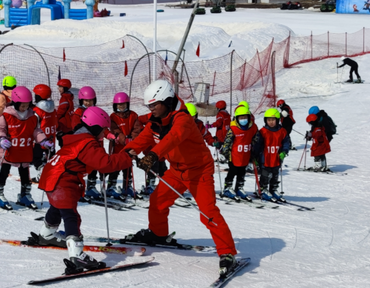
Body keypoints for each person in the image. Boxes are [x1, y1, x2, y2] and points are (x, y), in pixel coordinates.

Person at [124, 80, 238, 275]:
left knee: (208, 212)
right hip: (176, 171)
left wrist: (152, 155)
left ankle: (227, 252)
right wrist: (127, 153)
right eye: (149, 106)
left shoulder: (183, 119)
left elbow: (173, 138)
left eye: (154, 105)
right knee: (157, 200)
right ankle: (158, 234)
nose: (151, 110)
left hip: (199, 171)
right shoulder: (156, 123)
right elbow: (142, 140)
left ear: (167, 101)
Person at [33, 106, 133, 272]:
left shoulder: (77, 138)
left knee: (58, 207)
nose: (103, 134)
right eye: (102, 130)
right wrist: (127, 157)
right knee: (70, 214)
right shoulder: (86, 143)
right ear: (95, 127)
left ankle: (47, 234)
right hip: (61, 179)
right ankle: (77, 254)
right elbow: (105, 164)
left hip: (53, 175)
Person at [0, 86, 51, 209]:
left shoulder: (32, 116)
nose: (25, 108)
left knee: (24, 172)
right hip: (9, 150)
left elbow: (36, 131)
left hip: (24, 150)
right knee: (4, 170)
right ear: (16, 103)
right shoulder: (7, 116)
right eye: (22, 105)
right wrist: (1, 138)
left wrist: (43, 140)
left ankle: (25, 194)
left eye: (27, 105)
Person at [71, 86, 115, 200]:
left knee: (94, 165)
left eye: (91, 100)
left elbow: (101, 125)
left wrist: (108, 134)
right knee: (82, 166)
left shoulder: (95, 111)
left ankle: (91, 187)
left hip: (97, 143)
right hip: (85, 144)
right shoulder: (78, 112)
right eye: (86, 101)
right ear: (81, 101)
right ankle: (77, 188)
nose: (88, 103)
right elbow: (76, 127)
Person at [219, 105, 259, 201]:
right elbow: (227, 141)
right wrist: (225, 152)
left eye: (245, 117)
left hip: (245, 155)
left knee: (242, 172)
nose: (243, 120)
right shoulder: (233, 129)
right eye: (241, 118)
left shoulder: (252, 127)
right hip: (234, 156)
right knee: (232, 172)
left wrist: (255, 150)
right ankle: (227, 188)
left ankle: (239, 187)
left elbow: (256, 139)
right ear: (237, 118)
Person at [107, 92, 142, 200]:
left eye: (124, 105)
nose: (121, 108)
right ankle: (110, 186)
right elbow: (115, 130)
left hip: (129, 146)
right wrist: (123, 139)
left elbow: (137, 129)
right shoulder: (113, 117)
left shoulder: (133, 115)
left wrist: (133, 139)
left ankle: (127, 186)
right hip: (117, 147)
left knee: (127, 166)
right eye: (119, 106)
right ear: (115, 106)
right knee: (116, 166)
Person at [253, 108, 291, 201]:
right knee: (265, 175)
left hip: (276, 158)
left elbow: (287, 142)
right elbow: (257, 144)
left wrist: (284, 151)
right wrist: (254, 156)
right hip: (265, 158)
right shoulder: (262, 131)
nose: (271, 122)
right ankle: (262, 189)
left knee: (275, 175)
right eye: (268, 120)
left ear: (277, 120)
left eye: (273, 120)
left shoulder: (282, 131)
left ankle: (273, 189)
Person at [32, 84, 58, 170]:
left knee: (36, 159)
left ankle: (41, 171)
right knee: (52, 159)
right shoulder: (53, 109)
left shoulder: (37, 110)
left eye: (36, 95)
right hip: (51, 139)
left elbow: (34, 125)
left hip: (40, 140)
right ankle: (54, 170)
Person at [55, 78, 75, 145]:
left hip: (64, 125)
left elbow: (61, 110)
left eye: (60, 87)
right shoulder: (70, 97)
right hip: (70, 124)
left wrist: (56, 118)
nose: (59, 89)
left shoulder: (64, 98)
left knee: (63, 142)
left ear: (65, 88)